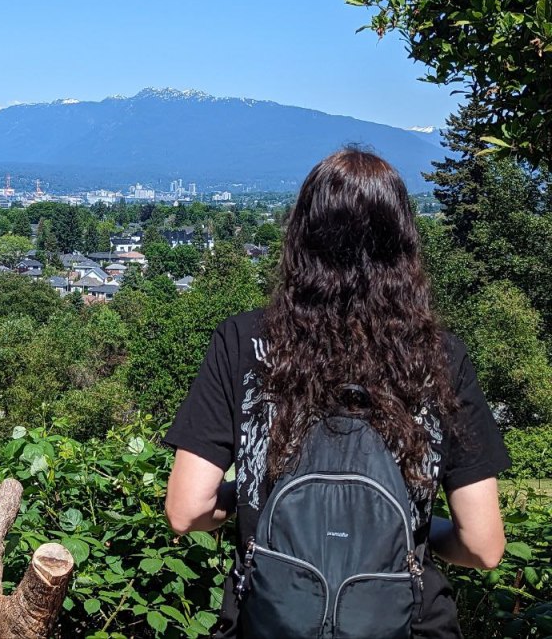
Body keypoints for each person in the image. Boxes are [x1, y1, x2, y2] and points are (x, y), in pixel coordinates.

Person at [164, 148, 508, 638]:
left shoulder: (244, 342)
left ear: (301, 236)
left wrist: (249, 507)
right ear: (403, 243)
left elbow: (186, 510)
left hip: (270, 617)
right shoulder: (440, 358)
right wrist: (405, 534)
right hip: (406, 623)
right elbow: (484, 546)